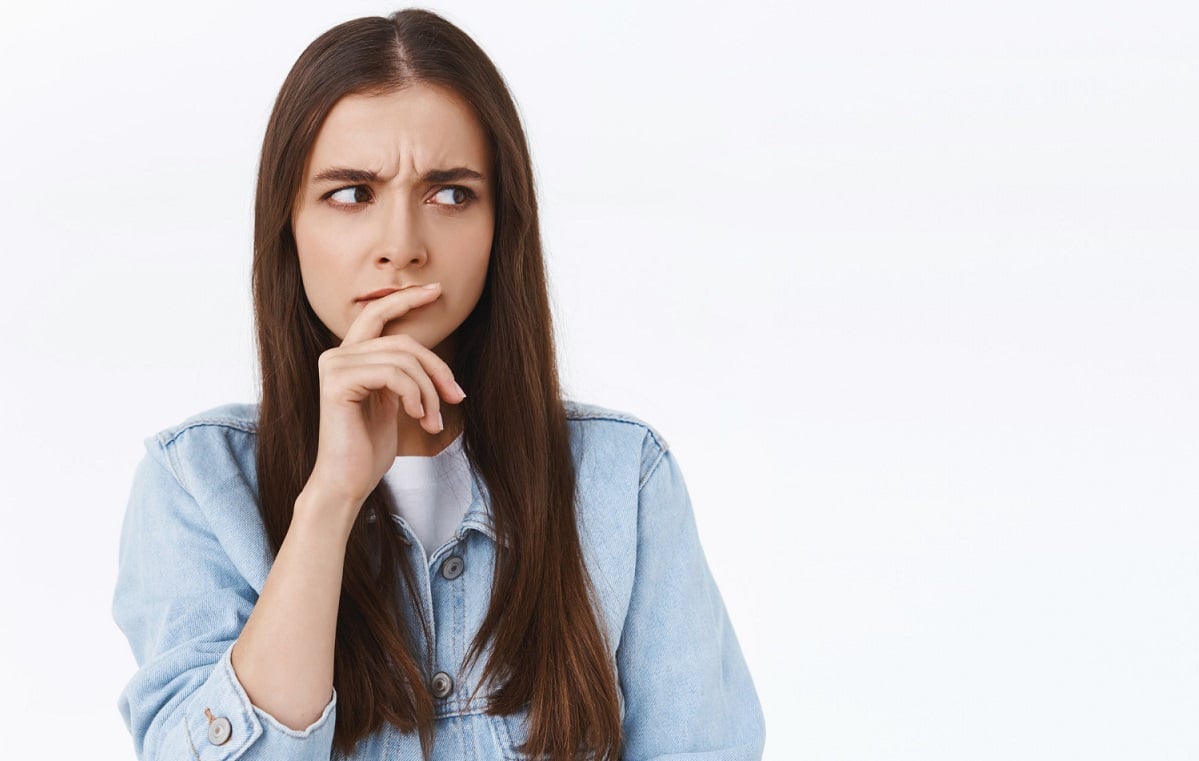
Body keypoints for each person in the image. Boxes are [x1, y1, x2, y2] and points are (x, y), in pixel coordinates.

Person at [112, 8, 765, 760]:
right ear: (288, 227)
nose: (401, 247)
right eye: (352, 193)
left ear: (500, 226)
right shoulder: (195, 482)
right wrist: (329, 499)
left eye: (450, 193)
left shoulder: (622, 476)